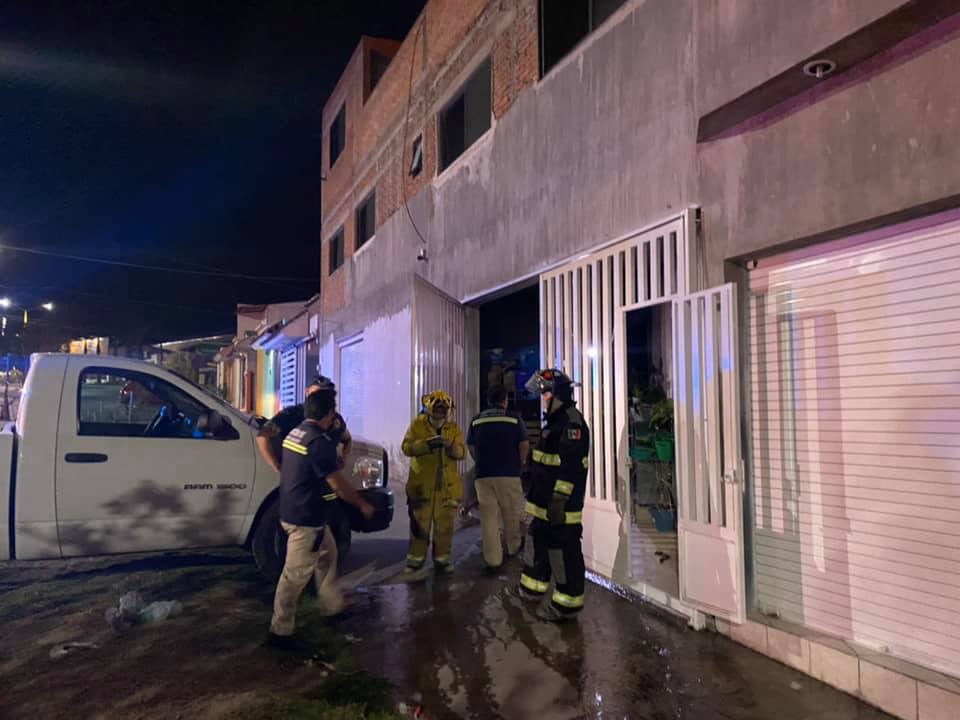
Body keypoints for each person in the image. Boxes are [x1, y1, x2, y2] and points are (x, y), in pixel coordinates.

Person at [268, 391, 374, 647]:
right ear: (329, 413)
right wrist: (362, 504)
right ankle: (280, 632)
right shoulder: (318, 443)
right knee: (294, 576)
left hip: (295, 510)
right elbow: (337, 484)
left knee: (329, 555)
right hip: (306, 519)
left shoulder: (296, 432)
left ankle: (332, 607)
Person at [256, 374, 351, 587]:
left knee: (328, 550)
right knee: (297, 561)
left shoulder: (335, 418)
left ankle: (329, 604)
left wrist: (344, 457)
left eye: (327, 395)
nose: (323, 399)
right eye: (318, 394)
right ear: (308, 394)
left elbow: (347, 438)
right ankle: (285, 616)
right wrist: (277, 466)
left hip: (323, 493)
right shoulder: (292, 415)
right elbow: (263, 436)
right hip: (300, 494)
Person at [516, 369, 590, 622]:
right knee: (538, 544)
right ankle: (532, 590)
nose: (543, 399)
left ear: (558, 394)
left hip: (561, 506)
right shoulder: (555, 422)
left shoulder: (572, 423)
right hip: (542, 503)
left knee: (563, 551)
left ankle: (567, 605)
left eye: (546, 393)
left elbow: (570, 466)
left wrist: (559, 499)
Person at [401, 390, 466, 575]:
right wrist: (427, 445)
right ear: (429, 409)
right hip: (422, 487)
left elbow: (462, 452)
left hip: (447, 488)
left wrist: (450, 447)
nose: (440, 414)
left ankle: (442, 560)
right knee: (419, 526)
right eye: (437, 410)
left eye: (443, 411)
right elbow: (406, 447)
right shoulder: (417, 425)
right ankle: (415, 560)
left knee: (444, 527)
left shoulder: (453, 428)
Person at [466, 384, 529, 570]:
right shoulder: (514, 419)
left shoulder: (476, 420)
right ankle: (513, 548)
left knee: (488, 518)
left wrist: (480, 461)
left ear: (488, 400)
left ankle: (493, 559)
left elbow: (471, 446)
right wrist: (520, 462)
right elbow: (523, 444)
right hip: (508, 473)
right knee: (511, 513)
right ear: (505, 400)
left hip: (484, 475)